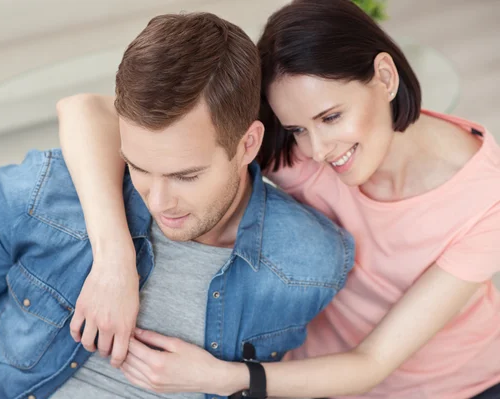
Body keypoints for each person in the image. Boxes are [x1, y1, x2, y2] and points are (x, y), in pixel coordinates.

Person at [56, 0, 500, 398]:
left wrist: (220, 377)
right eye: (297, 128)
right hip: (312, 376)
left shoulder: (486, 200)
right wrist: (114, 262)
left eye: (331, 116)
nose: (320, 149)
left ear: (384, 77)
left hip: (457, 385)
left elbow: (372, 364)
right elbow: (83, 111)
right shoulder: (296, 152)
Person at [0, 12, 354, 399]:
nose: (159, 201)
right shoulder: (40, 197)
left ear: (248, 143)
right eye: (138, 167)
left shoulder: (309, 263)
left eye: (185, 175)